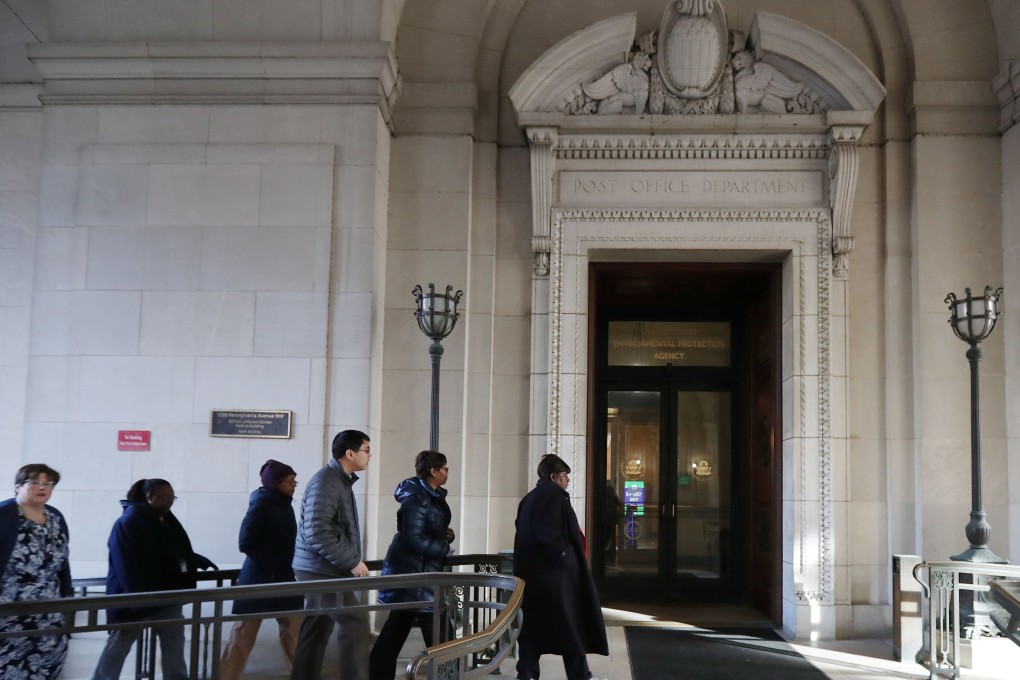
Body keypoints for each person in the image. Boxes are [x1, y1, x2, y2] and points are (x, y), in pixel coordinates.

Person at [92, 479, 217, 680]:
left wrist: (195, 560)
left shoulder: (164, 520)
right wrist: (139, 599)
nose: (170, 501)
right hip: (135, 599)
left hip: (165, 596)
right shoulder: (130, 522)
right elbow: (126, 565)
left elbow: (173, 551)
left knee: (174, 645)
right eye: (165, 497)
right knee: (120, 644)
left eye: (172, 497)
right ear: (149, 497)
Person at [514, 454, 609, 680]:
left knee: (535, 630)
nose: (567, 480)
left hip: (535, 577)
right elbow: (550, 534)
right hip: (556, 578)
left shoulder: (530, 498)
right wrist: (566, 558)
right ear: (553, 477)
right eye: (564, 475)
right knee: (571, 626)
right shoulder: (553, 496)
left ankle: (527, 674)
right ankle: (580, 675)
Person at [290, 430, 373, 680]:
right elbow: (316, 532)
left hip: (320, 566)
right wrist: (352, 561)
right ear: (350, 453)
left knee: (317, 627)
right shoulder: (327, 481)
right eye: (367, 450)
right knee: (356, 622)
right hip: (320, 568)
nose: (370, 456)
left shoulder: (338, 479)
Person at [369, 450, 455, 680]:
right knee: (441, 636)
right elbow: (413, 538)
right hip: (413, 574)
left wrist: (444, 535)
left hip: (419, 573)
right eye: (445, 468)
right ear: (434, 471)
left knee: (398, 630)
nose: (447, 473)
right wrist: (444, 549)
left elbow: (427, 528)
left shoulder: (429, 496)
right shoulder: (417, 498)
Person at [220, 460, 306, 680]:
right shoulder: (260, 505)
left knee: (295, 633)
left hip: (283, 578)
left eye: (294, 480)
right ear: (276, 483)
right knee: (242, 637)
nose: (294, 484)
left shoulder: (285, 504)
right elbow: (246, 542)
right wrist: (273, 564)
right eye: (289, 480)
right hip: (259, 579)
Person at [0, 463, 72, 677]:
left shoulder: (56, 517)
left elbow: (63, 562)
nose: (42, 487)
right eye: (34, 482)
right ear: (18, 487)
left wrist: (68, 597)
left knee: (48, 668)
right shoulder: (4, 514)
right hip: (9, 613)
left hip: (50, 612)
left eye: (48, 483)